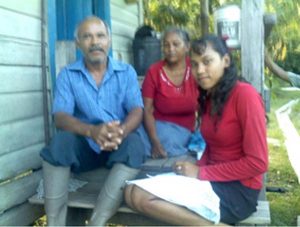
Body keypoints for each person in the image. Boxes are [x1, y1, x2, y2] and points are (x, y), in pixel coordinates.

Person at [124, 34, 268, 225]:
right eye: (195, 64)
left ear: (225, 61)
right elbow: (213, 147)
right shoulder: (209, 97)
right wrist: (196, 167)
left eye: (207, 62)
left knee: (141, 196)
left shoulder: (245, 95)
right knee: (130, 192)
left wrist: (200, 173)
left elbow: (258, 163)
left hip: (237, 191)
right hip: (212, 179)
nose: (200, 70)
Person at [40, 16, 145, 226]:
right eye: (87, 37)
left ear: (109, 41)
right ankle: (55, 223)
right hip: (85, 148)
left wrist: (120, 132)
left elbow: (136, 110)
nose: (95, 42)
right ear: (78, 43)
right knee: (59, 143)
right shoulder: (68, 75)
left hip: (116, 146)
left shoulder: (126, 73)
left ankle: (97, 222)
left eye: (100, 36)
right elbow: (60, 117)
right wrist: (92, 131)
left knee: (134, 144)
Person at [138, 27, 199, 159]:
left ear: (187, 46)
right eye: (166, 45)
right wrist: (154, 141)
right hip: (154, 126)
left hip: (182, 129)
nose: (170, 49)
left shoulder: (196, 69)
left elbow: (207, 104)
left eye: (176, 44)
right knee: (132, 136)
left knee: (167, 142)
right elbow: (147, 110)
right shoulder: (154, 71)